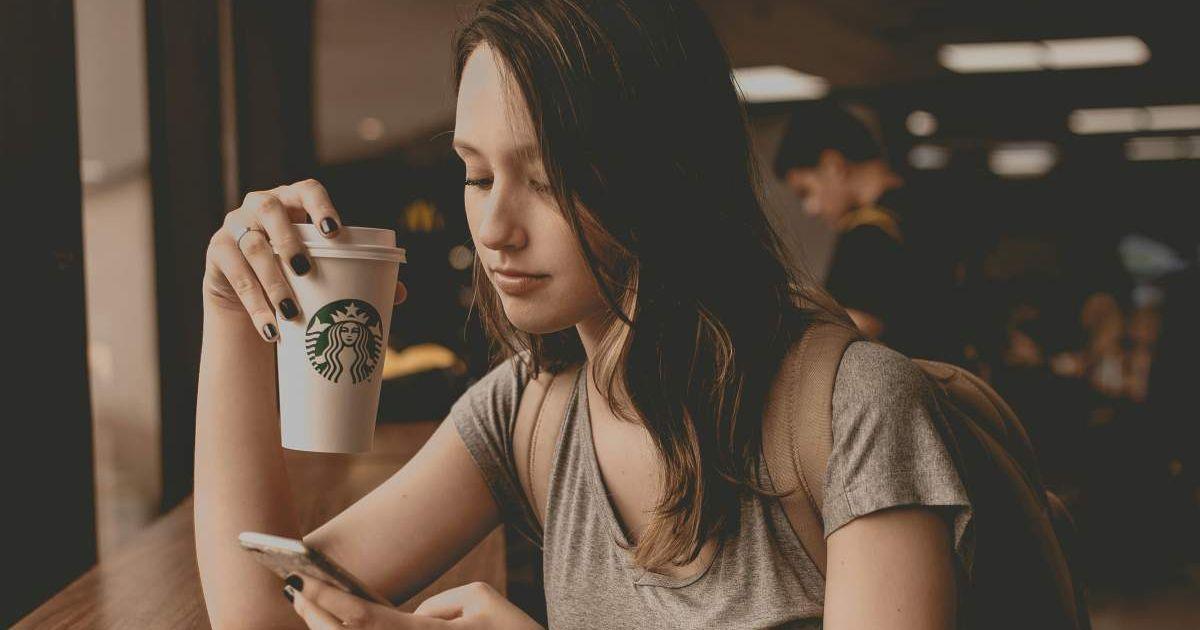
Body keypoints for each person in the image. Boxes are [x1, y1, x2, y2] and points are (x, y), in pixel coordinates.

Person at [194, 1, 972, 628]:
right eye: (475, 175)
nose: (494, 228)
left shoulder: (857, 410)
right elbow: (263, 614)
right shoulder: (529, 413)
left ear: (666, 177)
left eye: (548, 177)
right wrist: (231, 312)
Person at [773, 103, 928, 358]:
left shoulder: (867, 234)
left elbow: (853, 331)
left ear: (834, 165)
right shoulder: (922, 206)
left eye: (806, 191)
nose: (810, 208)